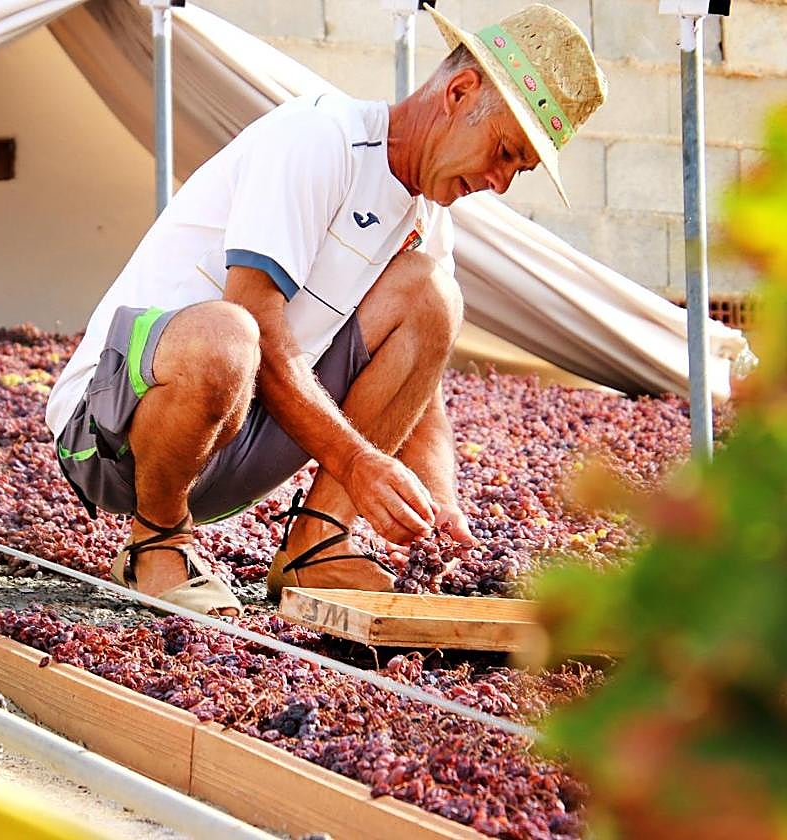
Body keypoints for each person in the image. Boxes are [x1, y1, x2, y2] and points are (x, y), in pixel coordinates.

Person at [45, 4, 608, 615]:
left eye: (517, 170)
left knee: (435, 298)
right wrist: (359, 461)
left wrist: (440, 494)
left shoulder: (427, 223)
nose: (501, 183)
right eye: (505, 151)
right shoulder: (321, 138)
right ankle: (157, 542)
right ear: (460, 91)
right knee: (230, 335)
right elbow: (256, 321)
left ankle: (316, 545)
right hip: (111, 438)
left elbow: (421, 389)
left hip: (233, 448)